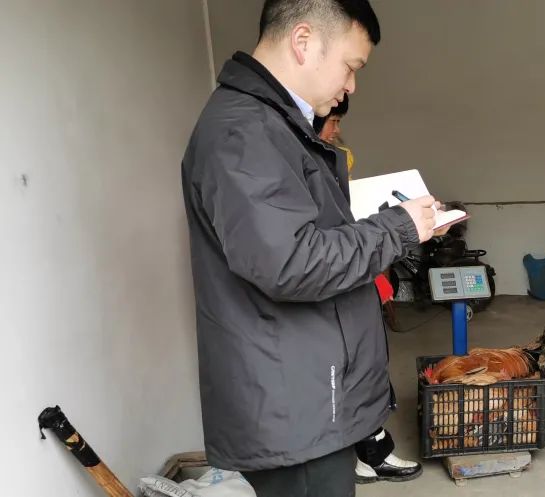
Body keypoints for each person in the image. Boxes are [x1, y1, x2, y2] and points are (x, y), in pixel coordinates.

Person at [180, 1, 443, 496]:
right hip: (293, 409)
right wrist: (396, 229)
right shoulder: (244, 133)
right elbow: (291, 263)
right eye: (350, 65)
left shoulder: (276, 126)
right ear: (303, 42)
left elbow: (295, 237)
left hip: (306, 395)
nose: (352, 85)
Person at [313, 94, 423, 484]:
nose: (337, 130)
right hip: (333, 288)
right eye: (333, 122)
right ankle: (367, 454)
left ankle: (371, 449)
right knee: (352, 372)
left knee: (367, 367)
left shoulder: (332, 157)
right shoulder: (300, 168)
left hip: (354, 278)